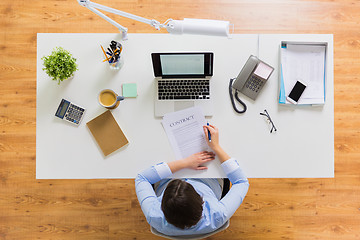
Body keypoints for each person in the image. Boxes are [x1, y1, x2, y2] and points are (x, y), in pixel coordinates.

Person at [135, 124, 249, 236]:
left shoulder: (153, 214)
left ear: (162, 207)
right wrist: (216, 147)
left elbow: (142, 178)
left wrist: (184, 163)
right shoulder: (218, 214)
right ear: (201, 201)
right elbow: (241, 182)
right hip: (208, 179)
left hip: (172, 171)